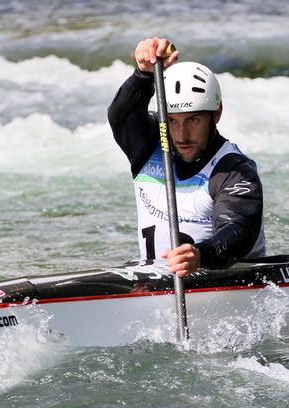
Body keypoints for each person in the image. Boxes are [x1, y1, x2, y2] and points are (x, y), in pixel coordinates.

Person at [107, 37, 265, 277]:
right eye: (172, 120)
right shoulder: (148, 147)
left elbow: (238, 229)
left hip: (228, 284)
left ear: (216, 114)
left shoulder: (233, 169)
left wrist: (201, 255)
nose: (181, 135)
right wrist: (144, 75)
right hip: (154, 283)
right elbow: (121, 115)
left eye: (193, 120)